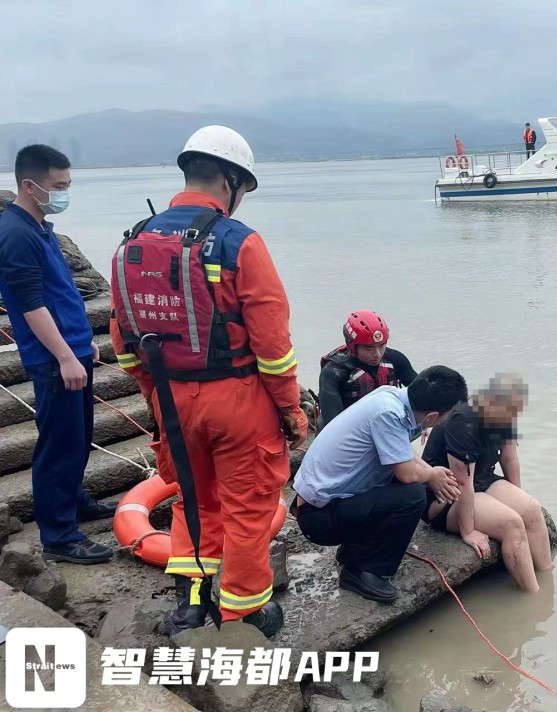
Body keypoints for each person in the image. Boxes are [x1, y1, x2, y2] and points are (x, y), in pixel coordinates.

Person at [109, 125, 308, 638]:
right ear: (231, 181)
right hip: (238, 399)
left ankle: (191, 605)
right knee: (249, 506)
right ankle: (243, 611)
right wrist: (290, 408)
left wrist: (156, 399)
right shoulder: (240, 243)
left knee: (192, 501)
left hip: (171, 401)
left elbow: (124, 341)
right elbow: (272, 343)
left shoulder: (132, 244)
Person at [0, 144, 116, 565]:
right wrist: (65, 356)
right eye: (58, 186)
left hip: (71, 347)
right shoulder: (15, 234)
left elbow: (58, 293)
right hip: (53, 358)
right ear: (29, 185)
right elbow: (31, 305)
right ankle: (59, 537)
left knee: (79, 437)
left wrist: (81, 344)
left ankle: (75, 502)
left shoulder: (39, 225)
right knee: (59, 443)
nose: (64, 193)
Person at [291, 366, 467, 603]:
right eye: (447, 415)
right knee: (413, 494)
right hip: (317, 518)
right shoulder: (388, 414)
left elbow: (402, 451)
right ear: (432, 417)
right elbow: (405, 472)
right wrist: (431, 475)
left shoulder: (390, 397)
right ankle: (363, 570)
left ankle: (356, 548)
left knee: (414, 480)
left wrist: (431, 474)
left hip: (327, 505)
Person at [421, 373, 551, 592]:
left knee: (531, 509)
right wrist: (468, 531)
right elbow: (462, 484)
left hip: (482, 479)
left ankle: (548, 578)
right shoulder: (462, 423)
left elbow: (509, 458)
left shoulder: (505, 415)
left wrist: (515, 497)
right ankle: (534, 595)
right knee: (512, 524)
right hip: (446, 496)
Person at [317, 309, 417, 430]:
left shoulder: (396, 360)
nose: (377, 354)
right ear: (352, 346)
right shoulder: (333, 372)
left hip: (387, 424)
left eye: (382, 345)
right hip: (348, 429)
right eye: (369, 349)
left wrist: (423, 423)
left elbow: (422, 392)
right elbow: (332, 420)